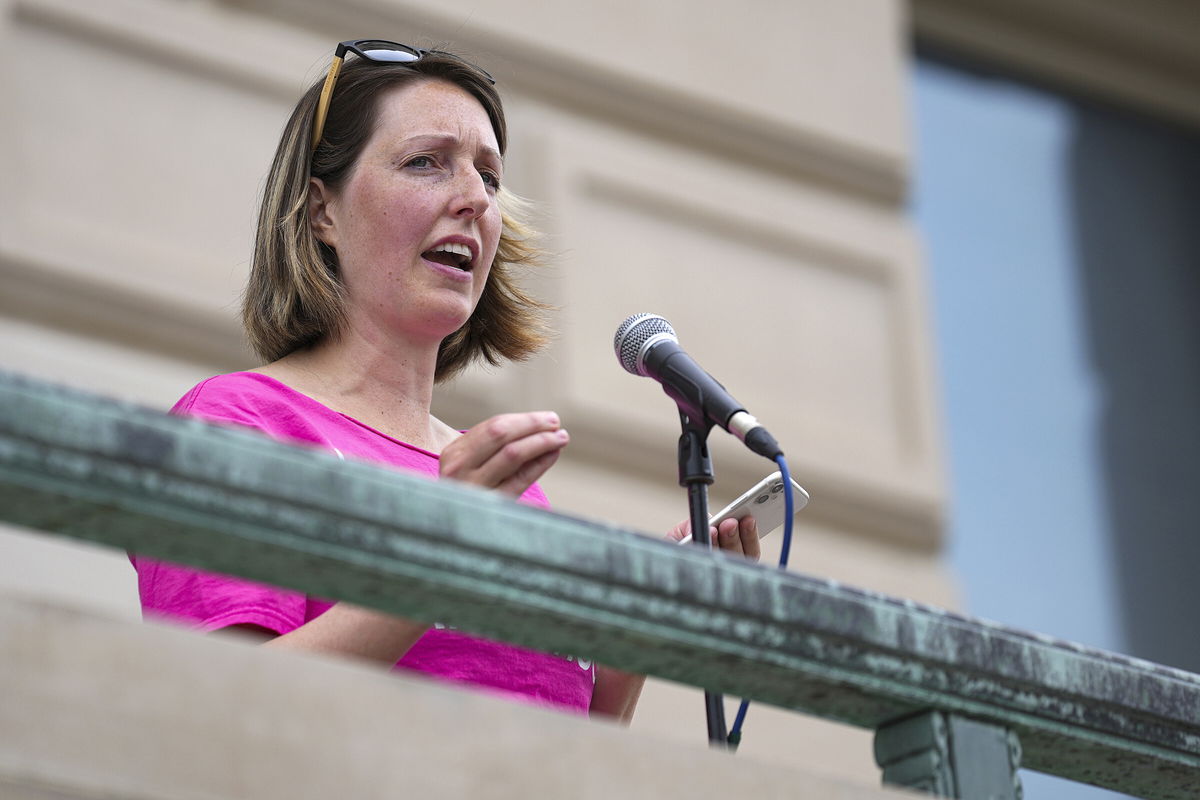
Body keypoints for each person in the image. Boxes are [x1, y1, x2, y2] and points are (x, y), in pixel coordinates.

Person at [131, 40, 759, 722]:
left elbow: (562, 742)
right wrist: (438, 555)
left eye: (488, 176)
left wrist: (646, 630)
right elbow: (217, 709)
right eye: (426, 162)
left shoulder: (504, 484)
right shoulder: (238, 420)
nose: (473, 200)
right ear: (322, 212)